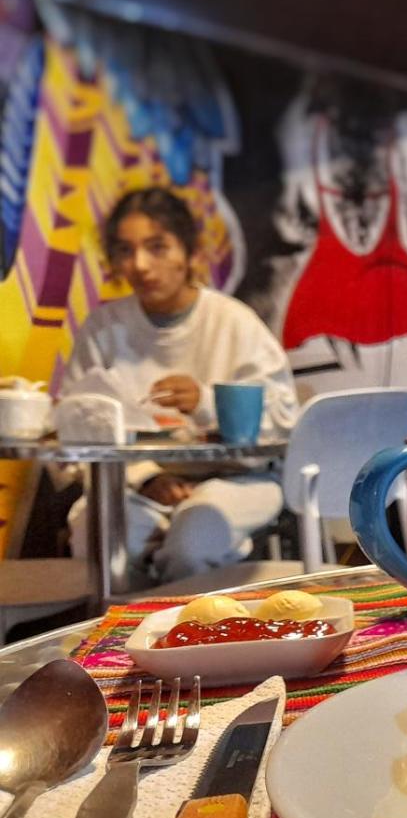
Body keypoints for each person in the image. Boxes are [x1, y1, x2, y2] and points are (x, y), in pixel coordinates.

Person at [62, 187, 298, 585]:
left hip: (238, 480)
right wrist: (146, 477)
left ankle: (197, 623)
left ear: (189, 252)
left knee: (192, 542)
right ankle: (123, 624)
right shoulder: (103, 330)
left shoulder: (232, 322)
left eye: (157, 247)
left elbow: (284, 420)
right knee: (98, 536)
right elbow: (74, 428)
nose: (140, 265)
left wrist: (207, 402)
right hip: (136, 484)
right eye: (125, 251)